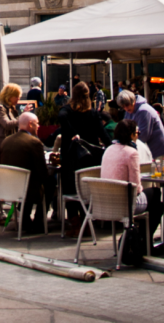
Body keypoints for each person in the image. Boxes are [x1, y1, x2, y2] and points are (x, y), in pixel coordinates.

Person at [101, 119, 164, 248]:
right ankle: (144, 241)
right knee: (157, 198)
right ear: (131, 135)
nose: (138, 135)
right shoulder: (132, 153)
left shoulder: (108, 150)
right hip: (126, 205)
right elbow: (136, 186)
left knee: (155, 199)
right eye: (137, 133)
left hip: (105, 202)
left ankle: (141, 240)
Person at [58, 82, 110, 236]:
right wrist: (111, 145)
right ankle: (86, 222)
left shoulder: (67, 110)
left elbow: (61, 116)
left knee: (70, 188)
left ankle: (74, 223)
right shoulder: (93, 113)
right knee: (87, 190)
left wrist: (73, 133)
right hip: (90, 158)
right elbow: (102, 133)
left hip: (70, 156)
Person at [0, 111, 51, 234]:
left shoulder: (6, 141)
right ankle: (39, 222)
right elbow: (42, 172)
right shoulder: (34, 142)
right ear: (31, 124)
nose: (39, 126)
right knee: (50, 183)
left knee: (32, 181)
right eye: (37, 124)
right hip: (26, 189)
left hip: (7, 188)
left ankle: (26, 218)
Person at [0, 83, 22, 223]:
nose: (18, 98)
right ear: (9, 96)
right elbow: (7, 124)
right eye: (16, 96)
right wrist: (21, 119)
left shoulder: (11, 109)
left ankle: (6, 213)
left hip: (8, 147)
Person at [116, 89, 164, 159]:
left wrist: (127, 144)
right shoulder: (129, 110)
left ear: (133, 101)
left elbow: (143, 135)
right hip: (148, 150)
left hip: (159, 151)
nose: (126, 108)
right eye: (123, 106)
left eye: (127, 105)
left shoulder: (144, 111)